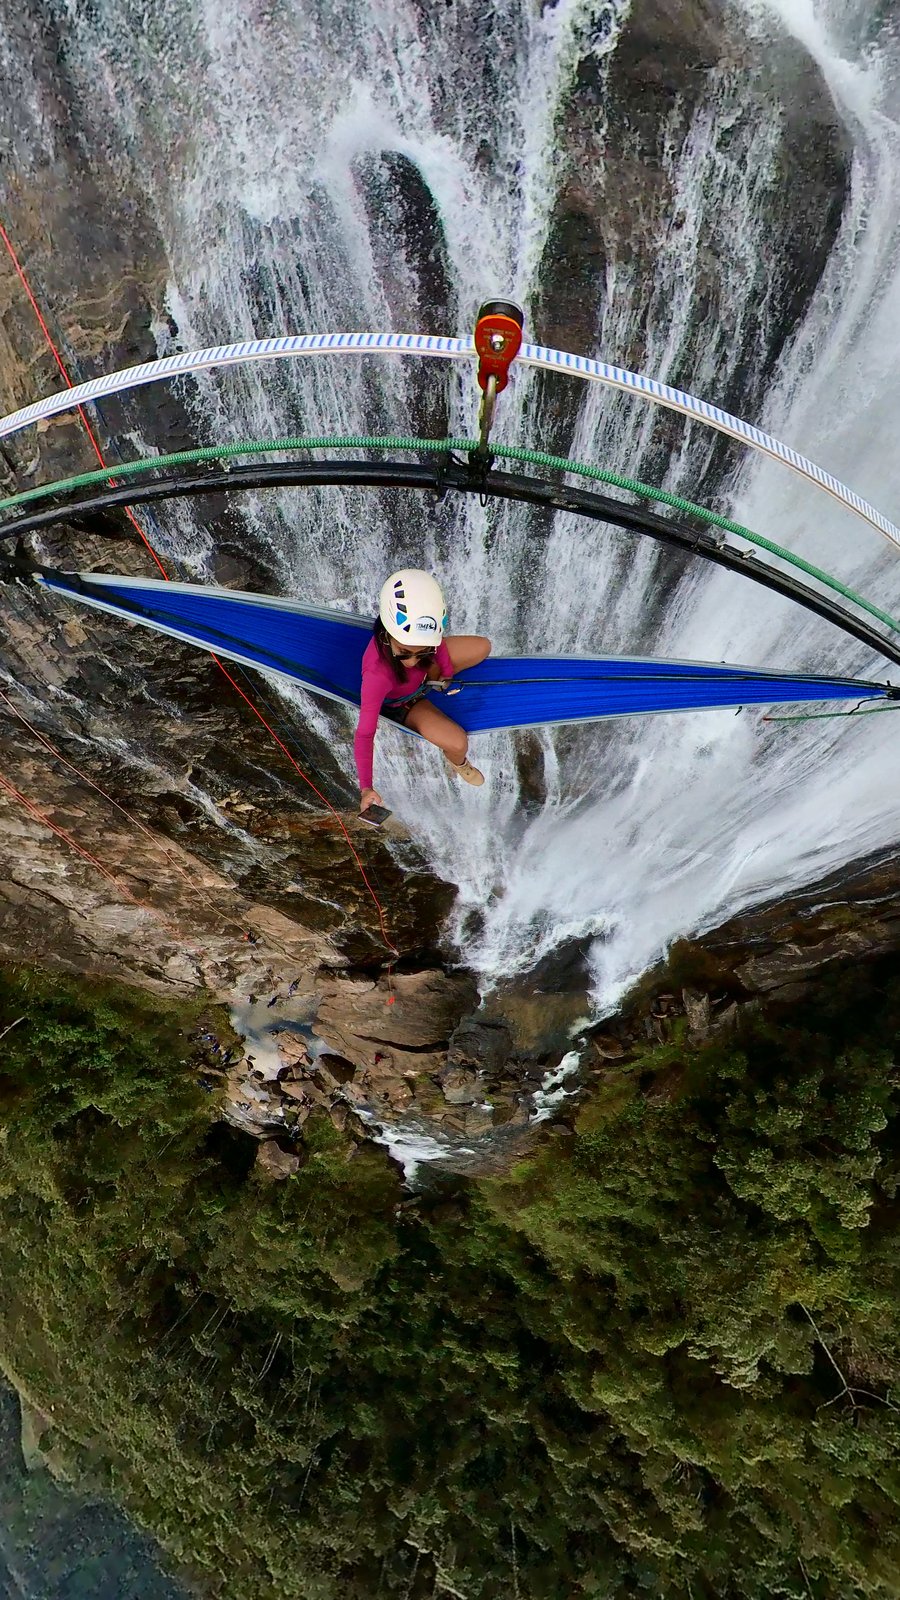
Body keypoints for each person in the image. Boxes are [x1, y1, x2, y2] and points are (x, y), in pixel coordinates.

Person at [355, 568, 491, 816]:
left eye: (422, 651)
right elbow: (365, 734)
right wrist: (366, 788)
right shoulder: (377, 675)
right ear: (387, 634)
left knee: (482, 647)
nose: (412, 661)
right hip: (404, 703)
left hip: (425, 678)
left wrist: (447, 671)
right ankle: (458, 764)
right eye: (405, 652)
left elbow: (436, 646)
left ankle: (428, 670)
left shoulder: (420, 638)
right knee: (458, 743)